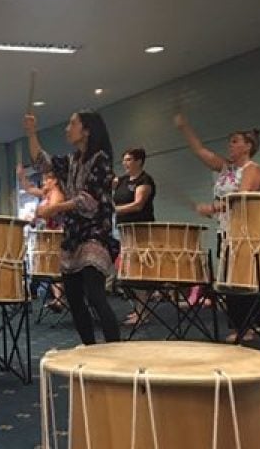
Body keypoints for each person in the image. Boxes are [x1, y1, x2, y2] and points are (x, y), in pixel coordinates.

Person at [174, 113, 260, 342]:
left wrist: (212, 208)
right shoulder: (226, 168)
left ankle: (244, 328)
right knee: (239, 280)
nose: (229, 145)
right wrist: (184, 127)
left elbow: (241, 197)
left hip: (248, 233)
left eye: (235, 141)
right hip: (227, 231)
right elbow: (200, 151)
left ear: (248, 146)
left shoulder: (253, 169)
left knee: (236, 282)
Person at [23, 110, 120, 344]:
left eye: (72, 123)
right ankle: (90, 348)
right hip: (74, 234)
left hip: (96, 233)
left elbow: (88, 200)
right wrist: (31, 133)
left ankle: (116, 349)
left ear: (86, 130)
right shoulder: (72, 160)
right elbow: (43, 162)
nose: (67, 128)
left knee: (95, 295)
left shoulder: (101, 160)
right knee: (74, 297)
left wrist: (54, 209)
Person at [113, 148, 156, 326]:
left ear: (139, 161)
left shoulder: (144, 180)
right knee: (128, 271)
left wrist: (114, 210)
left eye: (129, 159)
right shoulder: (122, 180)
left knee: (139, 271)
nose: (125, 163)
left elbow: (138, 205)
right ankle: (139, 309)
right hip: (124, 230)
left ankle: (143, 312)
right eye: (124, 160)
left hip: (141, 230)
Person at [17, 165, 66, 310]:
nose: (44, 182)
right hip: (49, 234)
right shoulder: (47, 194)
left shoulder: (57, 195)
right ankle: (58, 299)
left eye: (46, 179)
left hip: (59, 234)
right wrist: (22, 176)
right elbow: (28, 189)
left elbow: (50, 212)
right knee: (52, 268)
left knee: (57, 268)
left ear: (55, 181)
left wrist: (36, 215)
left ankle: (59, 299)